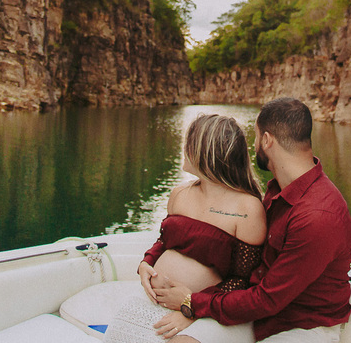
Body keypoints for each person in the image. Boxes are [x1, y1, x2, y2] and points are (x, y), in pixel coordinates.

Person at [151, 98, 351, 343]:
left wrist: (192, 303)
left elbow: (268, 299)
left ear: (268, 140)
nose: (253, 144)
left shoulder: (318, 216)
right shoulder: (278, 188)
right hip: (254, 314)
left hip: (301, 326)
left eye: (256, 136)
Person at [104, 113, 266, 343]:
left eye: (188, 142)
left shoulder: (247, 208)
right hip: (156, 300)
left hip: (209, 311)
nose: (184, 147)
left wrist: (191, 308)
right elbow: (163, 242)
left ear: (205, 152)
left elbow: (243, 281)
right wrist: (146, 263)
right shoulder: (180, 194)